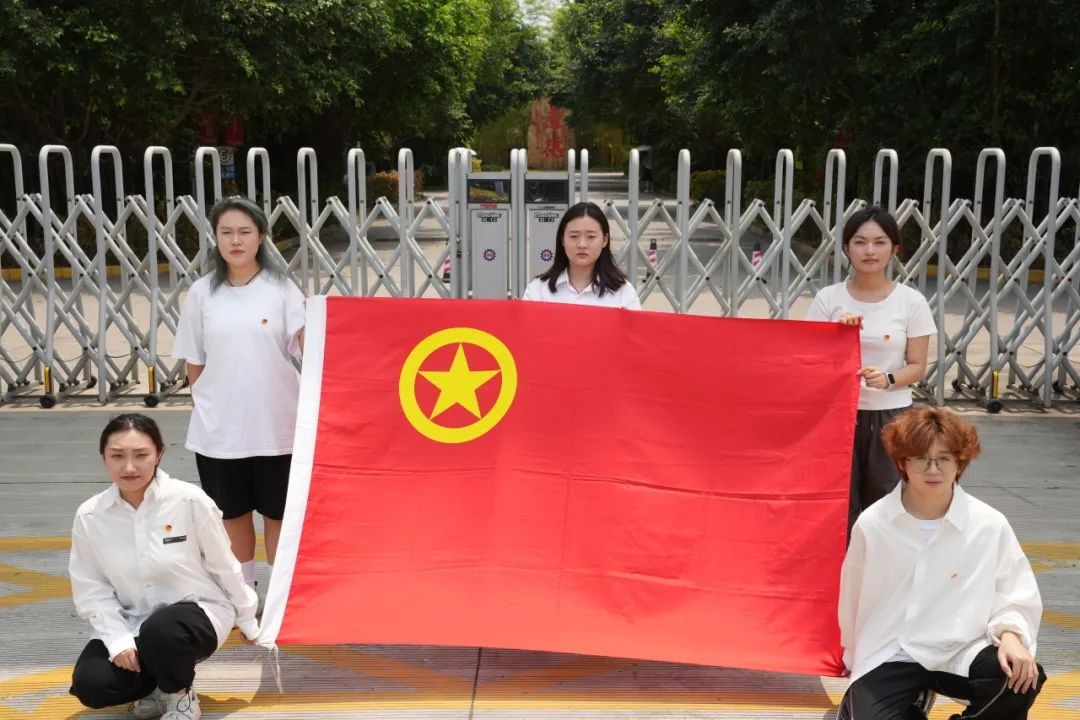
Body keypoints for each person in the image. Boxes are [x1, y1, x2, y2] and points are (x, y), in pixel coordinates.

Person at [838, 406, 1045, 720]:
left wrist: (1012, 637)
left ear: (959, 462)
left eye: (944, 459)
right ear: (903, 463)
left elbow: (1015, 591)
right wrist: (855, 662)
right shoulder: (874, 524)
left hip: (961, 647)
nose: (933, 469)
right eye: (921, 458)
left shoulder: (988, 524)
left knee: (1019, 677)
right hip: (893, 650)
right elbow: (853, 598)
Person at [69, 413, 259, 720]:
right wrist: (118, 641)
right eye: (117, 456)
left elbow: (224, 565)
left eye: (141, 455)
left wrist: (247, 618)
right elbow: (91, 587)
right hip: (133, 621)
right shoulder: (90, 516)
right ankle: (157, 685)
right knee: (92, 684)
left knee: (162, 631)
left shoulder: (189, 501)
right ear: (103, 457)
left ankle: (180, 695)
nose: (129, 467)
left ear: (159, 454)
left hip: (197, 614)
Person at [172, 196, 306, 589]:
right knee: (231, 515)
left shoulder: (282, 289)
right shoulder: (202, 293)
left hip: (277, 426)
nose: (236, 240)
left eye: (245, 232)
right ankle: (243, 594)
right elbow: (194, 360)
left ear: (261, 237)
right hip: (220, 430)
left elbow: (307, 345)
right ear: (215, 237)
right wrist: (206, 405)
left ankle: (279, 595)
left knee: (278, 514)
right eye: (226, 232)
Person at [806, 207, 935, 531]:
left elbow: (917, 366)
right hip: (838, 416)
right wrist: (837, 335)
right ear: (846, 248)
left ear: (894, 249)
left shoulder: (911, 301)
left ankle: (885, 564)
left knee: (886, 504)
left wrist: (888, 379)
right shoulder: (827, 299)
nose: (869, 251)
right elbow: (811, 362)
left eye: (879, 242)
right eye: (860, 242)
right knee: (837, 504)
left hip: (891, 417)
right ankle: (844, 564)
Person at [522, 201, 642, 309]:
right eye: (574, 236)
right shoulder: (539, 291)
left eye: (591, 237)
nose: (582, 244)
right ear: (562, 239)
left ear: (605, 240)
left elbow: (637, 327)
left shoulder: (623, 293)